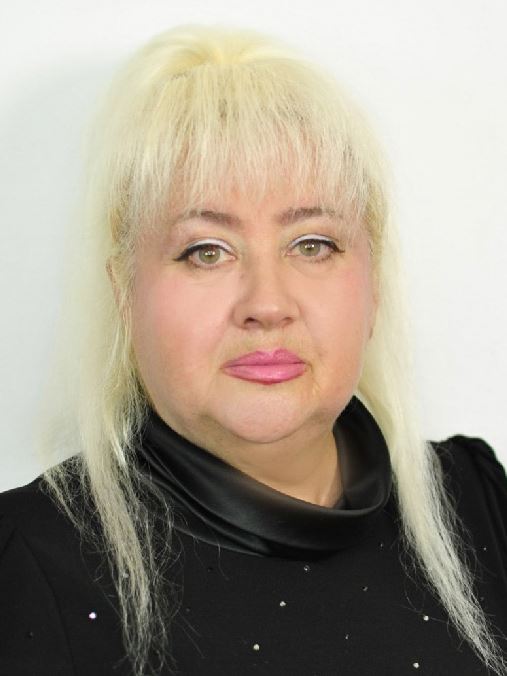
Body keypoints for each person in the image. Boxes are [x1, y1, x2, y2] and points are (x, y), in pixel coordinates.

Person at [1, 23, 506, 676]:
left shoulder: (477, 503)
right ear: (126, 294)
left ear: (373, 285)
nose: (267, 304)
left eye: (312, 244)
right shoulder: (24, 562)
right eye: (206, 251)